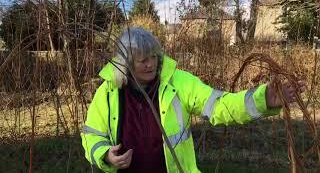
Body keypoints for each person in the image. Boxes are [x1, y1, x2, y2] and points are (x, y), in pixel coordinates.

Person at [81, 27, 306, 173]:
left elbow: (220, 106)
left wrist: (263, 99)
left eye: (153, 57)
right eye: (141, 60)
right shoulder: (108, 93)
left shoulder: (179, 83)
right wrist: (105, 156)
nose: (150, 64)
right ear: (126, 63)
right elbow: (92, 136)